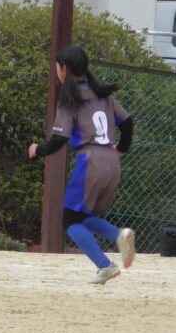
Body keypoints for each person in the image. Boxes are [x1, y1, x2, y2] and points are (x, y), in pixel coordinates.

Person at [27, 45, 136, 285]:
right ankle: (118, 235)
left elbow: (60, 139)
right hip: (111, 160)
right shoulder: (103, 95)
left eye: (57, 67)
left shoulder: (70, 100)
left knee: (69, 220)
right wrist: (122, 148)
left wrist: (38, 149)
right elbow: (127, 121)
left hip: (90, 161)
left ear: (63, 69)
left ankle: (105, 264)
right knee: (82, 216)